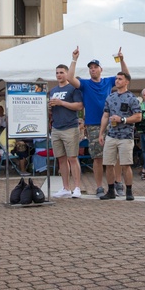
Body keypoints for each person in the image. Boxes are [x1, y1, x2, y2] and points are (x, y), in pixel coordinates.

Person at [69, 46, 129, 198]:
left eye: (95, 67)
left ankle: (117, 183)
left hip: (112, 123)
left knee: (115, 156)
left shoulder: (109, 81)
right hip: (93, 124)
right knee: (97, 157)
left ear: (101, 69)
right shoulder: (85, 84)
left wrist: (122, 60)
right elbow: (70, 78)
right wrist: (74, 59)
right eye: (91, 68)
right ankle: (99, 187)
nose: (93, 70)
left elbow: (126, 75)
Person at [98, 71, 141, 200]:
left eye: (120, 79)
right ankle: (110, 190)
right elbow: (105, 115)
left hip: (126, 136)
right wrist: (101, 133)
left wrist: (123, 120)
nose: (117, 81)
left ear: (127, 82)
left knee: (125, 165)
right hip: (111, 135)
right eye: (116, 79)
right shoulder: (110, 97)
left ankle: (129, 191)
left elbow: (138, 116)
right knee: (108, 164)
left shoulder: (132, 98)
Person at [48, 64, 84, 199]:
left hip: (70, 127)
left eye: (62, 72)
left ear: (67, 74)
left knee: (72, 158)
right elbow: (53, 108)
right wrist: (50, 107)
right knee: (61, 159)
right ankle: (65, 187)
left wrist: (61, 103)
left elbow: (79, 106)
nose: (59, 75)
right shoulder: (52, 90)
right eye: (57, 72)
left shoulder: (73, 89)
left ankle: (77, 187)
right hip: (56, 127)